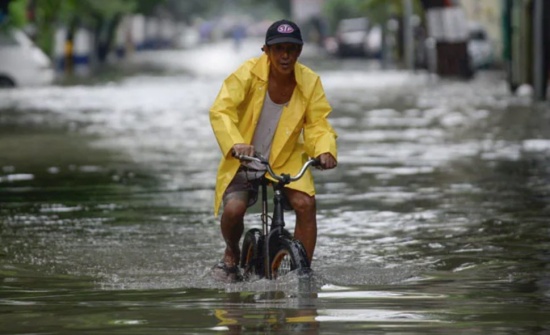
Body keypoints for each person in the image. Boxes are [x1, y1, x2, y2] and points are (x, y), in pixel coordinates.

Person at [209, 19, 337, 282]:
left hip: (286, 158)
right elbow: (221, 110)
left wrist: (325, 150)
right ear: (266, 51)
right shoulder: (247, 74)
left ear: (299, 51)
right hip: (245, 157)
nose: (285, 55)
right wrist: (235, 143)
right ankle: (232, 253)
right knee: (233, 211)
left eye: (291, 49)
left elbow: (317, 123)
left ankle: (302, 272)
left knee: (306, 204)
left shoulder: (310, 82)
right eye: (278, 49)